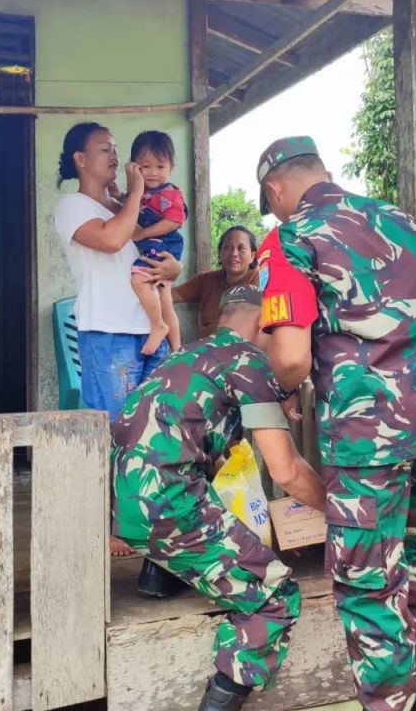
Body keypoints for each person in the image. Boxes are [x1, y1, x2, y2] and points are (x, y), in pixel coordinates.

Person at [253, 136, 416, 711]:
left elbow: (293, 358)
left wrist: (267, 369)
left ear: (276, 188)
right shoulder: (398, 217)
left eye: (268, 200)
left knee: (368, 583)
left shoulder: (291, 237)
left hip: (368, 434)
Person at [111, 284, 327, 711]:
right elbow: (287, 471)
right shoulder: (250, 362)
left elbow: (209, 456)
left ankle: (157, 575)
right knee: (274, 594)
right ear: (269, 326)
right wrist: (341, 511)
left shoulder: (184, 356)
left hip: (127, 506)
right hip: (170, 509)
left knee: (198, 477)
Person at [53, 121, 182, 556]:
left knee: (154, 429)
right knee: (115, 430)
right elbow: (111, 241)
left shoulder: (119, 205)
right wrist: (134, 194)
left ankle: (146, 517)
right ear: (80, 159)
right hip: (107, 334)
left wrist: (173, 269)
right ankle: (109, 523)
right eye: (103, 148)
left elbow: (154, 258)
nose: (114, 154)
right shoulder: (73, 206)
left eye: (114, 148)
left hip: (148, 330)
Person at [119, 130, 186, 354]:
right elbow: (130, 205)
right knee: (165, 300)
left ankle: (158, 326)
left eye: (160, 166)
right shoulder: (143, 193)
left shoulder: (169, 194)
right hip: (155, 245)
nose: (153, 173)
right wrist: (122, 194)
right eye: (145, 167)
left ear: (171, 168)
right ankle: (177, 348)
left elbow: (174, 220)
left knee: (139, 280)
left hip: (161, 245)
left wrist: (144, 233)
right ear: (134, 167)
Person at [174, 225, 260, 339]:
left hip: (244, 351)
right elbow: (172, 295)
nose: (233, 253)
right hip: (205, 350)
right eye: (227, 247)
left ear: (252, 256)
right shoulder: (207, 280)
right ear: (220, 253)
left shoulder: (260, 280)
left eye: (241, 248)